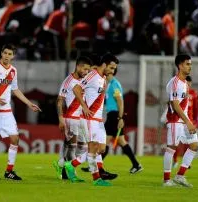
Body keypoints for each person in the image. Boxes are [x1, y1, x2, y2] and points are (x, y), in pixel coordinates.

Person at [0, 44, 41, 180]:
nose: (7, 56)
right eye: (5, 53)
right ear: (1, 53)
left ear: (13, 56)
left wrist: (29, 103)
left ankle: (9, 171)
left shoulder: (13, 71)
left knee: (15, 138)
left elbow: (15, 89)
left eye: (10, 54)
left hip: (7, 110)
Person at [64, 53, 118, 186]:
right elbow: (76, 88)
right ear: (104, 64)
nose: (112, 71)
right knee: (93, 148)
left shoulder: (103, 78)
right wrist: (84, 106)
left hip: (98, 120)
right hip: (89, 119)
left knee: (101, 149)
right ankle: (96, 179)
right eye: (111, 68)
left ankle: (71, 164)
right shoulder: (93, 75)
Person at [52, 56, 92, 180]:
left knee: (83, 146)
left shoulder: (84, 80)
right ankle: (71, 173)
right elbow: (59, 100)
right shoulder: (68, 81)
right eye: (85, 69)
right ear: (78, 66)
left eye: (88, 70)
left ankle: (61, 164)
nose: (86, 72)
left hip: (82, 117)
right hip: (72, 117)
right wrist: (60, 118)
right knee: (72, 145)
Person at [163, 54, 198, 187]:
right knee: (171, 148)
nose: (190, 67)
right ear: (180, 65)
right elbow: (175, 104)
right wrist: (187, 121)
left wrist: (189, 120)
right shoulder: (175, 82)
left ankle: (180, 176)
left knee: (194, 145)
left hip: (184, 120)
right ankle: (166, 180)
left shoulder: (184, 83)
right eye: (187, 64)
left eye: (190, 64)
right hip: (175, 120)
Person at [103, 59, 143, 174]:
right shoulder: (109, 84)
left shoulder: (115, 84)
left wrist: (120, 118)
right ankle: (136, 164)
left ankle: (96, 166)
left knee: (105, 141)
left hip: (114, 115)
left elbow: (120, 101)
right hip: (112, 115)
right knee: (121, 141)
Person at [172, 75, 198, 168]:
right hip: (179, 120)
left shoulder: (193, 93)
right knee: (176, 142)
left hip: (189, 121)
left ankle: (187, 162)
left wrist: (196, 120)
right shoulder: (179, 91)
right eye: (186, 83)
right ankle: (175, 160)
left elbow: (196, 108)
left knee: (191, 142)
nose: (188, 85)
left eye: (189, 83)